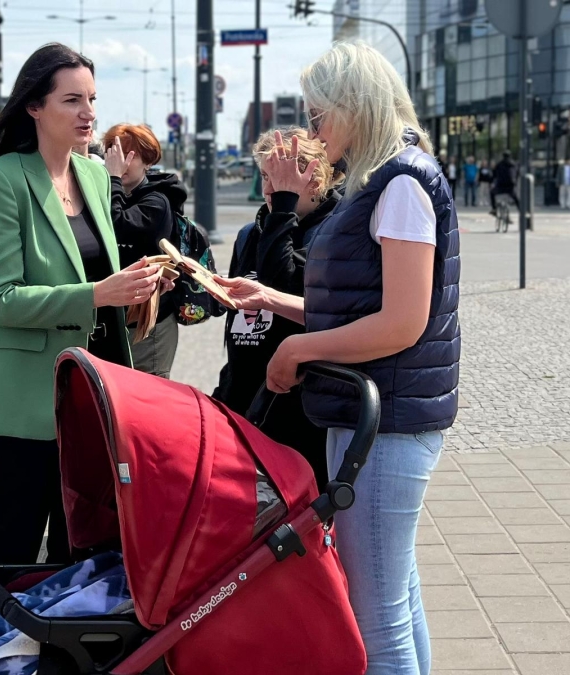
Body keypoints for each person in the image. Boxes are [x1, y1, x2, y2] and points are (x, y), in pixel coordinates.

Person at [217, 43, 460, 675]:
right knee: (396, 597)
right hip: (374, 412)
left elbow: (402, 323)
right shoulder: (382, 179)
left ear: (355, 104)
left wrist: (301, 348)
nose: (315, 128)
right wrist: (274, 300)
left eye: (319, 113)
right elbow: (359, 307)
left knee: (377, 617)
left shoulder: (399, 182)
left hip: (386, 418)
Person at [0, 43, 163, 566]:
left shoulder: (95, 174)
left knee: (84, 555)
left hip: (93, 398)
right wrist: (98, 295)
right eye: (72, 100)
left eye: (92, 99)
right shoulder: (0, 180)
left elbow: (93, 270)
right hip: (25, 407)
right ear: (34, 106)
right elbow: (0, 300)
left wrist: (137, 289)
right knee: (12, 556)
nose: (88, 112)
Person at [213, 127, 339, 491]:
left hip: (299, 410)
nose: (269, 190)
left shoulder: (332, 232)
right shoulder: (250, 234)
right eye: (266, 177)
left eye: (280, 180)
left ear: (314, 180)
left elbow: (281, 282)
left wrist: (283, 208)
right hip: (245, 398)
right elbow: (239, 324)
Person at [103, 123, 187, 378]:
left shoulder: (157, 200)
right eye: (115, 153)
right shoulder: (109, 194)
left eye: (131, 155)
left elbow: (118, 225)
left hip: (149, 323)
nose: (122, 162)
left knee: (147, 392)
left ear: (148, 161)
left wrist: (114, 178)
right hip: (117, 318)